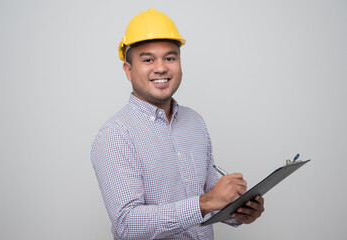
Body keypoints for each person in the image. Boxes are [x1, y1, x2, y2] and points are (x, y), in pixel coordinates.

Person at [91, 8, 264, 240]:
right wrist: (206, 203)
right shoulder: (115, 135)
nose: (161, 68)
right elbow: (126, 224)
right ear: (128, 70)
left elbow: (212, 195)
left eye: (170, 58)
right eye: (148, 59)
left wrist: (238, 209)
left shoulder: (194, 122)